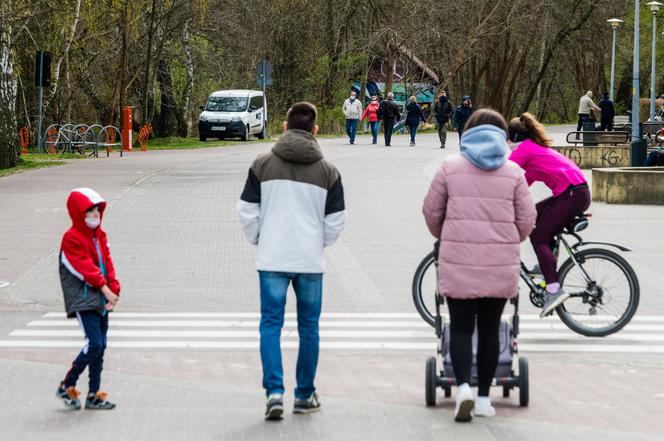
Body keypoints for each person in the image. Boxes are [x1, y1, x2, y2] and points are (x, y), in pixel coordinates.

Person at [423, 109, 536, 422]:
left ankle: (462, 389)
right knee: (489, 330)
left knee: (459, 327)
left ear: (468, 133)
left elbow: (431, 213)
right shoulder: (514, 173)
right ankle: (485, 399)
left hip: (458, 263)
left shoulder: (450, 167)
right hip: (499, 265)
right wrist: (510, 238)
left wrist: (446, 234)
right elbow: (527, 221)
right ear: (502, 135)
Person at [236, 102, 346, 420]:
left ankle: (274, 392)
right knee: (308, 328)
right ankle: (304, 393)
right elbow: (337, 219)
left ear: (284, 127)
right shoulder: (328, 171)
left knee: (271, 325)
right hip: (310, 262)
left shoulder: (262, 164)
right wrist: (318, 242)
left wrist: (260, 237)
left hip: (272, 257)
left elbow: (246, 210)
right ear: (315, 131)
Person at [508, 113, 590, 318]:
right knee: (534, 215)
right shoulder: (534, 151)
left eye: (507, 139)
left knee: (538, 237)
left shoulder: (525, 149)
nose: (506, 144)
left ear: (515, 138)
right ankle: (546, 265)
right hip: (576, 192)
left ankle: (554, 290)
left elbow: (505, 172)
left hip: (572, 194)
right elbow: (519, 184)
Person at [56, 188, 121, 411]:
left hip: (101, 299)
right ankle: (67, 384)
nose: (95, 215)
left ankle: (94, 394)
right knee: (94, 344)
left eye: (97, 210)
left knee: (101, 347)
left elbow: (108, 264)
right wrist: (105, 289)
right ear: (78, 213)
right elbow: (84, 268)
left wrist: (114, 289)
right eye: (89, 211)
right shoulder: (71, 239)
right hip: (84, 299)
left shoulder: (100, 236)